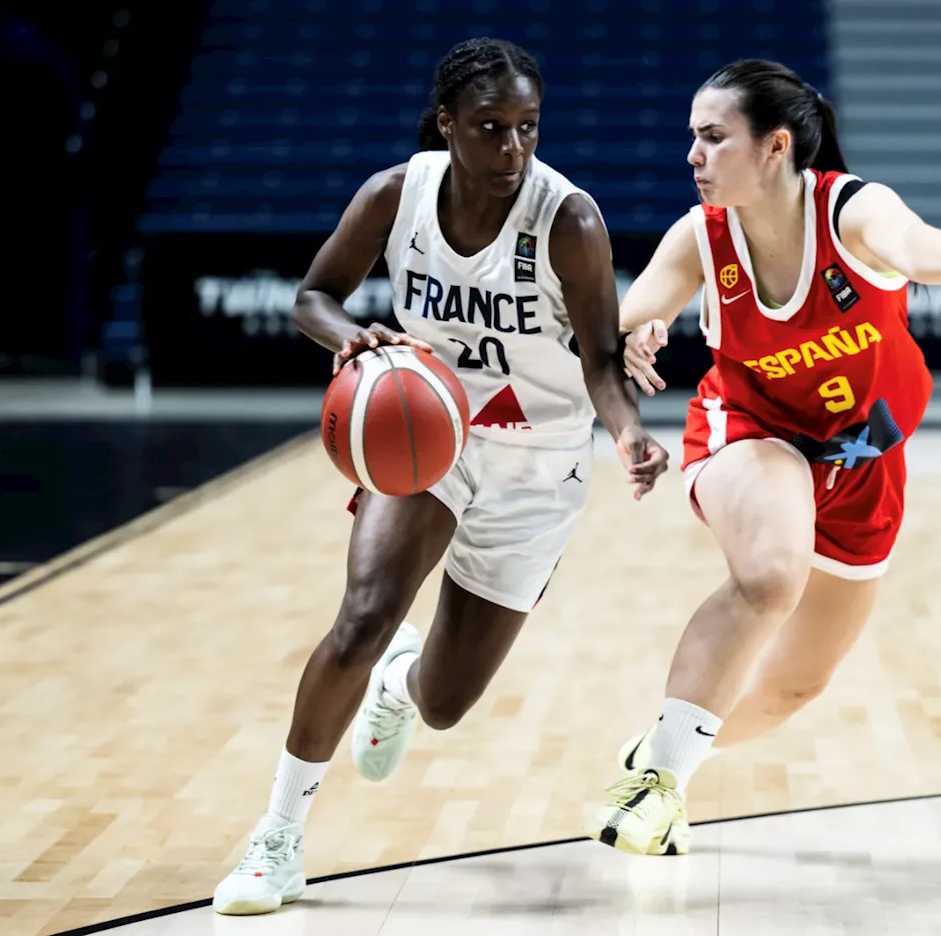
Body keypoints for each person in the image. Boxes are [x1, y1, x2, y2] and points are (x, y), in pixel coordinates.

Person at [213, 37, 668, 913]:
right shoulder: (397, 192)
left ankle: (401, 685)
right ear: (448, 124)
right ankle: (277, 836)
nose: (512, 151)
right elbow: (313, 294)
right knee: (364, 614)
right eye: (491, 128)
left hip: (540, 464)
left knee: (448, 702)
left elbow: (605, 363)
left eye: (528, 129)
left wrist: (629, 437)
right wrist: (347, 335)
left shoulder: (568, 218)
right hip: (431, 435)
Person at [583, 59, 941, 856]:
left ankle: (664, 754)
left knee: (796, 686)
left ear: (775, 147)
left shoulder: (851, 209)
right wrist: (636, 331)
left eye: (713, 137)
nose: (693, 154)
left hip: (865, 458)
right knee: (773, 571)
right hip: (752, 431)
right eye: (692, 137)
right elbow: (632, 307)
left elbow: (912, 241)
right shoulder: (701, 234)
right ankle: (654, 789)